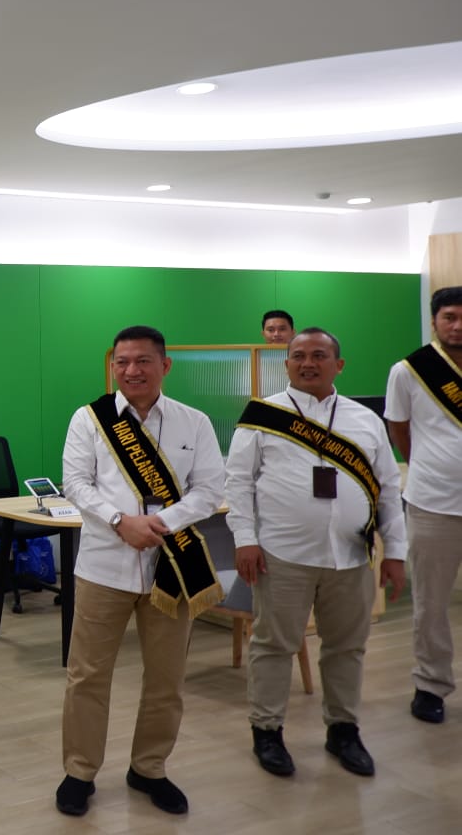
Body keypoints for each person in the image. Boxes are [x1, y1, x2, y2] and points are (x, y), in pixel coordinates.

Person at [55, 325, 225, 818]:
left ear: (164, 365)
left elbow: (209, 489)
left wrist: (161, 523)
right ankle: (79, 771)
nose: (132, 370)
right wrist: (119, 521)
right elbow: (75, 482)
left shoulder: (194, 422)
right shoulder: (90, 419)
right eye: (122, 362)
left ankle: (149, 768)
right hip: (103, 567)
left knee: (166, 678)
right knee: (87, 676)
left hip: (171, 567)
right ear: (113, 366)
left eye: (143, 361)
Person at [227, 327, 406, 778]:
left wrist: (396, 551)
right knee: (273, 645)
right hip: (281, 555)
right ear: (286, 363)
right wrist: (245, 539)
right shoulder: (262, 415)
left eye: (320, 355)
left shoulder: (365, 420)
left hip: (352, 555)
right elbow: (238, 483)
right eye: (299, 355)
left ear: (338, 365)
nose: (308, 363)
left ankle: (343, 730)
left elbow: (387, 488)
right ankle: (267, 731)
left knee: (347, 646)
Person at [385, 286, 462, 724]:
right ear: (434, 321)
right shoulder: (409, 371)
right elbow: (399, 428)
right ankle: (431, 685)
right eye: (449, 317)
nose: (457, 326)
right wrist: (432, 465)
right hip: (434, 504)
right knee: (431, 604)